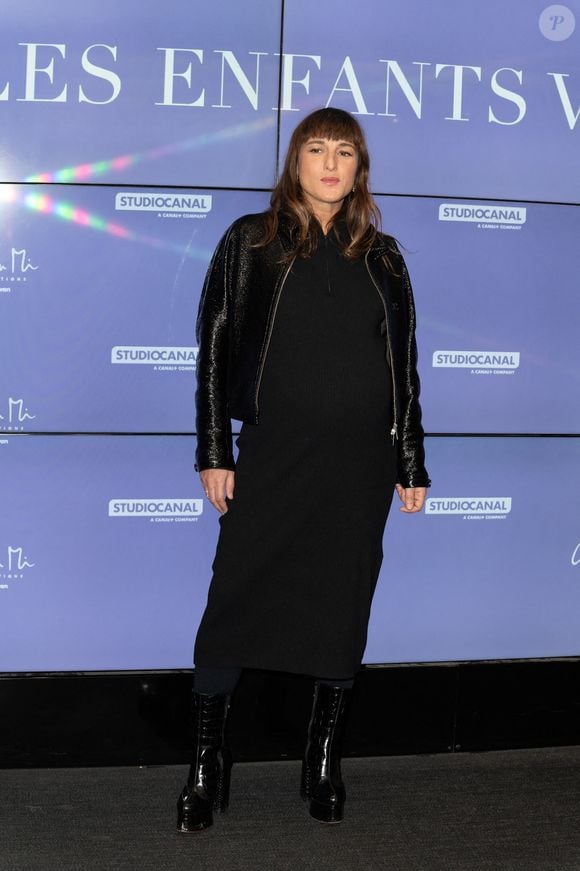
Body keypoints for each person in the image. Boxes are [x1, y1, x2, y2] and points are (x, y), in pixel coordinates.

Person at [177, 107, 431, 833]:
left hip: (358, 467)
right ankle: (205, 765)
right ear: (295, 161)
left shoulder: (385, 259)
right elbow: (215, 348)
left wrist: (410, 460)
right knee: (232, 605)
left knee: (341, 606)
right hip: (273, 459)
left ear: (359, 169)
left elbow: (404, 371)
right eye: (316, 149)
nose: (329, 164)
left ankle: (322, 763)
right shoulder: (249, 243)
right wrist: (214, 449)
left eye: (344, 152)